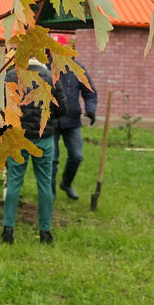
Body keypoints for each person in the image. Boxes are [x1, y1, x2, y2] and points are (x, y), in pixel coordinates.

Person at [1, 56, 67, 245]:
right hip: (44, 138)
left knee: (14, 182)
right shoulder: (51, 77)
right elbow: (62, 108)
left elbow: (2, 106)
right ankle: (45, 231)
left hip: (18, 137)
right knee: (45, 183)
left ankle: (8, 230)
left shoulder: (11, 76)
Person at [52, 35, 97, 201]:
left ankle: (66, 183)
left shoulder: (77, 69)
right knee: (52, 160)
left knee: (76, 156)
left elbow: (89, 92)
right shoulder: (45, 68)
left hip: (72, 122)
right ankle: (51, 193)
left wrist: (90, 110)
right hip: (51, 122)